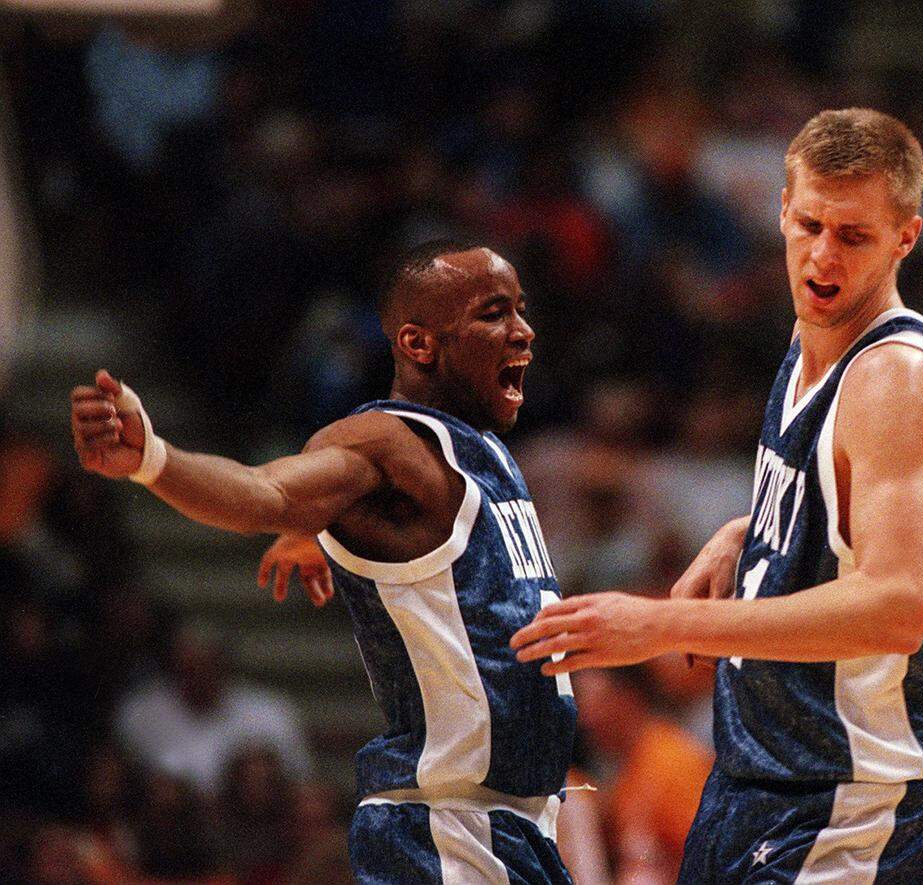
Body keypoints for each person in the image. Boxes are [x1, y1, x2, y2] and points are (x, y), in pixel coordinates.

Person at [513, 108, 923, 883]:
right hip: (760, 774)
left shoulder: (893, 378)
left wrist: (659, 624)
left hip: (849, 797)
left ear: (905, 238)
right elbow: (840, 504)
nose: (823, 254)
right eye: (810, 224)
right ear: (782, 211)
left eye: (854, 235)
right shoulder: (810, 339)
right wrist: (746, 533)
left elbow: (896, 605)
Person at [71, 241, 578, 884]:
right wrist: (153, 460)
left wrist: (324, 530)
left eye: (521, 309)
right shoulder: (386, 443)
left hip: (517, 823)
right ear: (419, 344)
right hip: (449, 829)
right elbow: (268, 492)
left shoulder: (485, 453)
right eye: (494, 313)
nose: (523, 330)